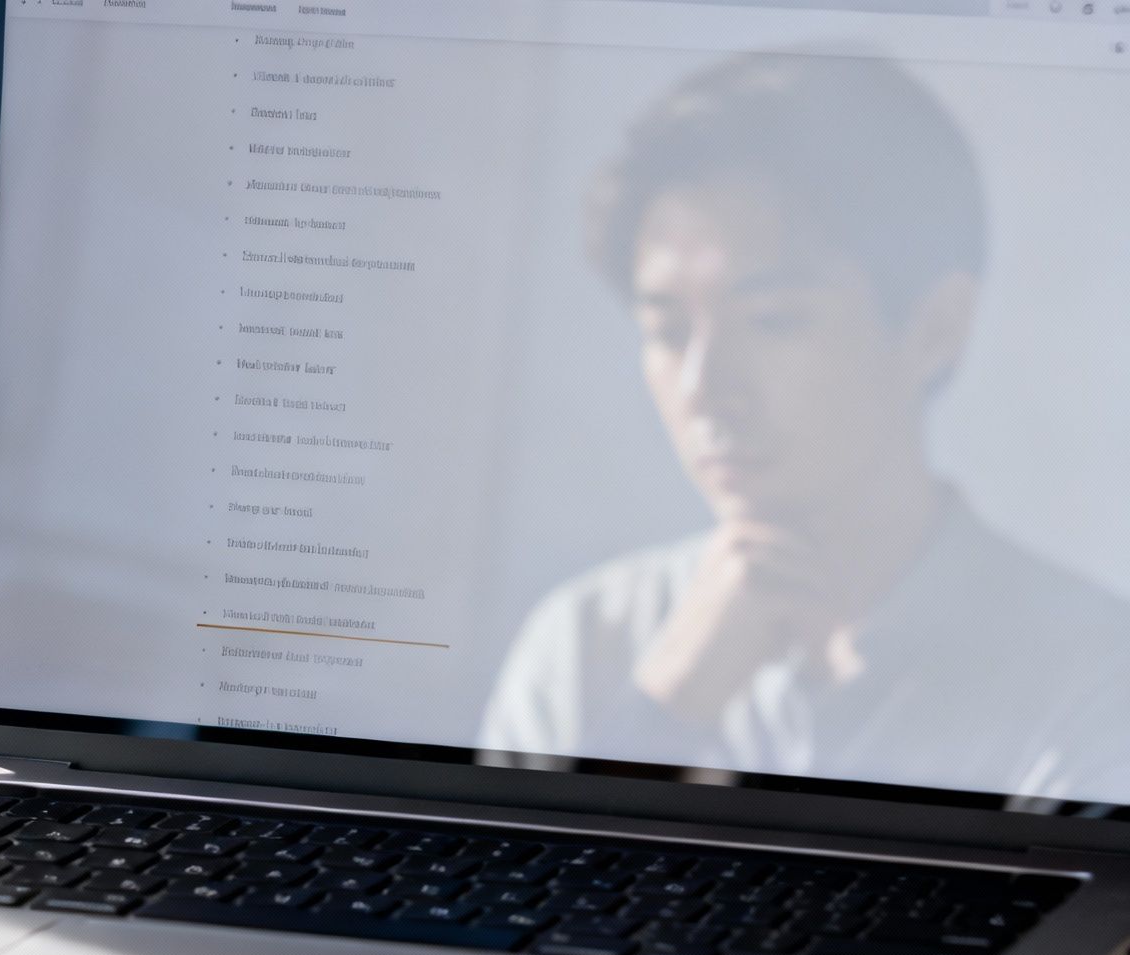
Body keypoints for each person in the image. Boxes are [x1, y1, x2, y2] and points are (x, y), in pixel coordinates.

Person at [479, 50, 1130, 803]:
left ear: (934, 328)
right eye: (665, 330)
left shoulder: (1094, 669)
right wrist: (659, 716)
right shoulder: (587, 641)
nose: (704, 389)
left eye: (773, 321)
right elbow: (520, 904)